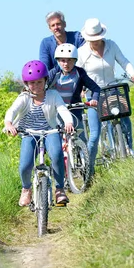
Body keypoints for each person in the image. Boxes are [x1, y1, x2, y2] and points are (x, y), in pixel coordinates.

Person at [4, 60, 75, 207]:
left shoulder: (53, 95)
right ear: (26, 84)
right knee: (25, 164)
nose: (36, 86)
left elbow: (62, 109)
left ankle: (60, 189)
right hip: (29, 133)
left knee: (56, 155)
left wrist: (68, 122)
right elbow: (12, 111)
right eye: (32, 83)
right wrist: (9, 124)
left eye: (39, 82)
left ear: (45, 81)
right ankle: (26, 189)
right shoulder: (24, 98)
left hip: (50, 131)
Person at [76, 18, 134, 166]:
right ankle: (89, 168)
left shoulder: (111, 46)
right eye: (92, 39)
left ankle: (129, 148)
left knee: (124, 117)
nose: (96, 41)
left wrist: (133, 73)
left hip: (112, 89)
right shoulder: (82, 52)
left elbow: (124, 61)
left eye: (98, 38)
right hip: (94, 94)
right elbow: (77, 73)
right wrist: (80, 89)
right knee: (95, 134)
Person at [47, 43, 101, 174]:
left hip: (75, 110)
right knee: (58, 143)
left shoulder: (79, 73)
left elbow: (95, 88)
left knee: (81, 139)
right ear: (58, 61)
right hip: (58, 113)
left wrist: (94, 99)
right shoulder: (54, 73)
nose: (66, 63)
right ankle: (62, 172)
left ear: (75, 60)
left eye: (70, 60)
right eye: (62, 60)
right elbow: (43, 88)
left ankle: (87, 170)